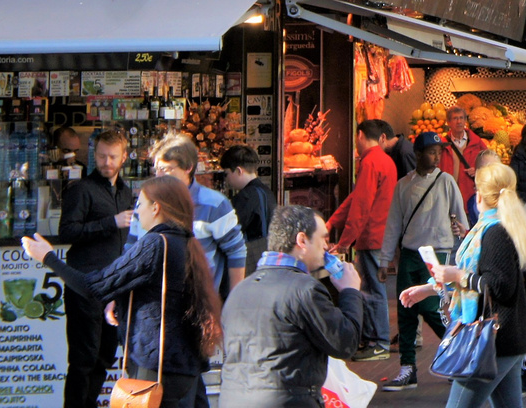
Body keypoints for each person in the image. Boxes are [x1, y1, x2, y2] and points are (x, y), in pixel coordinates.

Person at [27, 175, 223, 408]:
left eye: (139, 204)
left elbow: (94, 287)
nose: (137, 212)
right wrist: (119, 301)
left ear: (156, 207)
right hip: (187, 366)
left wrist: (47, 257)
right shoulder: (187, 243)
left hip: (158, 367)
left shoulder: (155, 244)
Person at [404, 161, 526, 408]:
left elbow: (498, 286)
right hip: (505, 339)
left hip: (492, 340)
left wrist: (457, 276)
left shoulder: (495, 231)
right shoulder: (492, 227)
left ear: (481, 195)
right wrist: (430, 288)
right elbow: (485, 279)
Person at [216, 205, 366, 408]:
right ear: (302, 240)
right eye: (323, 238)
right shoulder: (305, 290)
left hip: (233, 399)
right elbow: (345, 343)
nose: (326, 247)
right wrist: (350, 292)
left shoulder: (240, 291)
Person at [379, 131, 467, 390]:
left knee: (432, 308)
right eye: (431, 152)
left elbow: (461, 217)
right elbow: (393, 223)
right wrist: (385, 260)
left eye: (439, 152)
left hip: (438, 253)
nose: (437, 157)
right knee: (405, 309)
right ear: (417, 154)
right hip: (409, 254)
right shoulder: (403, 185)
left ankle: (457, 353)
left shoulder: (447, 181)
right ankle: (408, 368)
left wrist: (463, 243)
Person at [56, 127, 135, 408]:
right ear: (94, 155)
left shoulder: (126, 193)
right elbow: (66, 233)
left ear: (124, 157)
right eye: (101, 156)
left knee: (105, 355)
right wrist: (109, 223)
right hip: (85, 284)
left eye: (113, 157)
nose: (107, 162)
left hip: (115, 286)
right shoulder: (82, 189)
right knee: (83, 357)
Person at [128, 134, 246, 292]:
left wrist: (234, 301)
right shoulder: (146, 202)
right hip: (150, 303)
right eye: (156, 169)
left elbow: (236, 251)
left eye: (165, 169)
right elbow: (130, 249)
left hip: (198, 303)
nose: (159, 176)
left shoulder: (214, 204)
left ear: (188, 167)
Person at [328, 119, 397, 362]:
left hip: (371, 236)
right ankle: (374, 339)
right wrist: (333, 224)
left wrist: (345, 239)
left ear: (360, 135)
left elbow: (360, 204)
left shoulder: (369, 162)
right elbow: (357, 199)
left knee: (371, 290)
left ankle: (377, 343)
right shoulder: (385, 161)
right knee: (372, 288)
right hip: (381, 234)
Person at [222, 145, 276, 274]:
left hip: (251, 260)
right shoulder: (266, 191)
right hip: (268, 257)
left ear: (239, 171)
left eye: (227, 174)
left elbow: (232, 231)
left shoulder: (245, 197)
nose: (227, 180)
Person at [441, 107, 489, 214]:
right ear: (448, 122)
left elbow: (491, 166)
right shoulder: (442, 145)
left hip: (470, 196)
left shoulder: (477, 143)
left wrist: (478, 171)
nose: (459, 122)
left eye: (461, 118)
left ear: (465, 121)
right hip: (449, 197)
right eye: (455, 118)